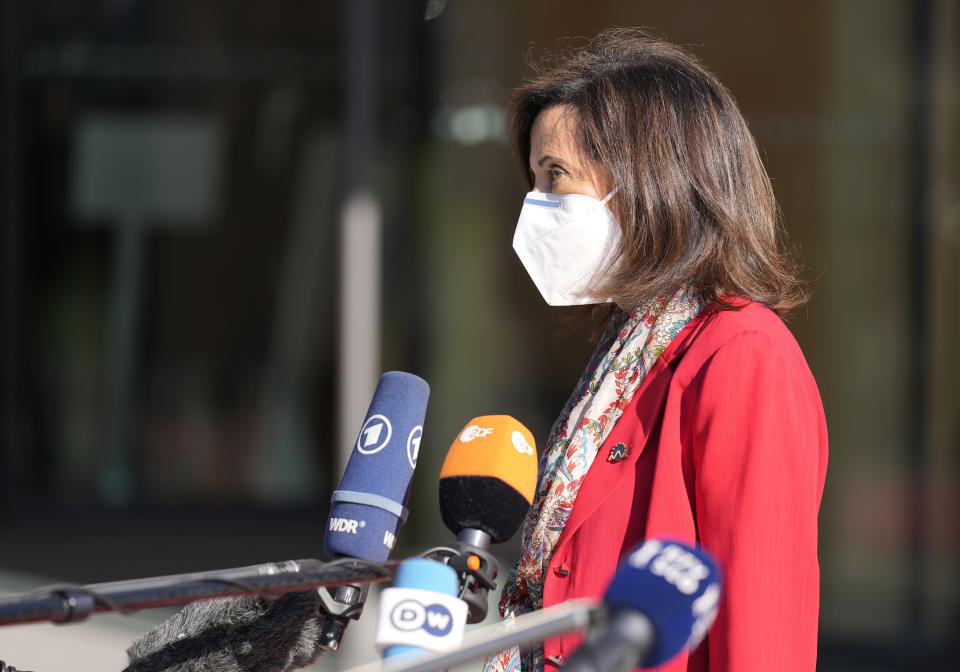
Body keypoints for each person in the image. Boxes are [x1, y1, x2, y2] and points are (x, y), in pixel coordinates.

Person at [486, 29, 828, 672]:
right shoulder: (633, 340)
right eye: (534, 178)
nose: (537, 206)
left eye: (556, 175)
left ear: (651, 178)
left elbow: (761, 629)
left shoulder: (741, 352)